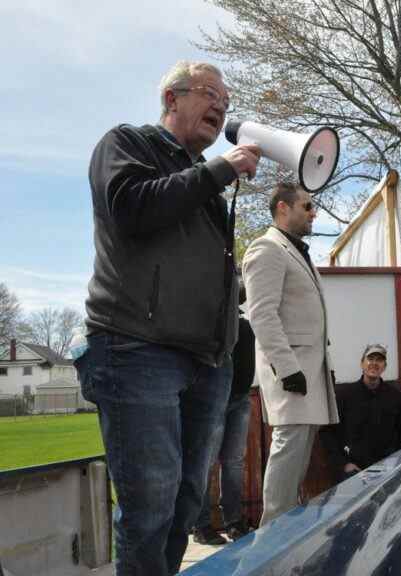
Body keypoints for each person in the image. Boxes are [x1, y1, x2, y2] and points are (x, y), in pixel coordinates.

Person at [74, 61, 261, 575]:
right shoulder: (129, 145)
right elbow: (132, 208)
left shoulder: (200, 184)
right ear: (171, 99)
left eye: (226, 98)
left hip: (203, 359)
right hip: (137, 348)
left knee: (184, 504)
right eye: (209, 93)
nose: (222, 105)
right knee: (150, 506)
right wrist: (221, 169)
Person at [242, 182, 339, 526]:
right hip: (292, 374)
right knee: (288, 454)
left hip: (310, 372)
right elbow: (262, 314)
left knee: (297, 460)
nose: (314, 213)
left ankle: (282, 538)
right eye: (307, 206)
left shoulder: (296, 251)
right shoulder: (266, 249)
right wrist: (287, 369)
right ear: (283, 208)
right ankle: (270, 542)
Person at [193, 289, 256, 545]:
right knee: (207, 464)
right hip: (213, 402)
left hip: (240, 400)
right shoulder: (208, 329)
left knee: (234, 462)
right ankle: (202, 526)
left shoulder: (245, 328)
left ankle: (234, 522)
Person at [320, 344, 401, 482]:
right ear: (362, 364)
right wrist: (343, 464)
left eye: (379, 360)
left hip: (387, 473)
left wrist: (397, 461)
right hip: (354, 473)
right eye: (370, 359)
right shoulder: (344, 395)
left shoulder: (394, 396)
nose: (374, 363)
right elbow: (326, 432)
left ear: (384, 367)